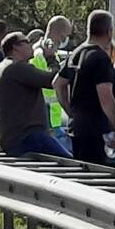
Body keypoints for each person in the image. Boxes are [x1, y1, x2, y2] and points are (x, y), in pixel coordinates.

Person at [53, 10, 115, 165]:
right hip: (97, 131)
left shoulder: (76, 53)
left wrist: (71, 111)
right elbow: (105, 96)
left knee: (81, 175)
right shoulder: (100, 58)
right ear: (109, 31)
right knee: (101, 179)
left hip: (77, 127)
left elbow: (57, 84)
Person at [0, 32, 70, 157]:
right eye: (26, 42)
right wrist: (51, 58)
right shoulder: (17, 67)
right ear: (15, 47)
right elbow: (52, 80)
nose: (31, 45)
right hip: (27, 136)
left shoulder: (5, 66)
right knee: (70, 163)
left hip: (15, 137)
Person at [31, 15, 73, 151]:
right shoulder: (39, 54)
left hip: (52, 121)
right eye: (66, 35)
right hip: (44, 118)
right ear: (60, 35)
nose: (67, 39)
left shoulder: (50, 53)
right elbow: (50, 80)